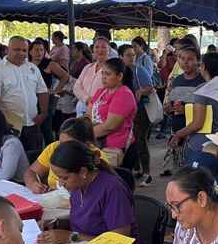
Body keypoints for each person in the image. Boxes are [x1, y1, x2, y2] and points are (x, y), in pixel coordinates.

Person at [39, 140, 137, 244]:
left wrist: (70, 237)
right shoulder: (78, 187)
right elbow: (83, 223)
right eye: (58, 177)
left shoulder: (113, 189)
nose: (61, 183)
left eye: (65, 178)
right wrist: (58, 225)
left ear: (83, 172)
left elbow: (119, 240)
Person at [171, 52, 218, 185]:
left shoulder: (203, 89)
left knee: (190, 186)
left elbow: (197, 124)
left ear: (203, 67)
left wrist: (178, 134)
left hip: (204, 146)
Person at [0, 36, 49, 152]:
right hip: (9, 127)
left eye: (24, 50)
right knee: (11, 161)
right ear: (7, 49)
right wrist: (2, 123)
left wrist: (44, 113)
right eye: (17, 50)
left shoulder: (32, 68)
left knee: (34, 159)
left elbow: (42, 91)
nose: (21, 53)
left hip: (32, 123)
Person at [26, 117, 106, 194]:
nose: (62, 147)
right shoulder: (54, 148)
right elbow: (31, 171)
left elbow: (97, 191)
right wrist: (34, 184)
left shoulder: (95, 157)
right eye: (60, 142)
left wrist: (59, 187)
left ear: (84, 144)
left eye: (69, 144)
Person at [162, 45, 206, 176]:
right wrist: (169, 107)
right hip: (177, 129)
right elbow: (173, 101)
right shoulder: (177, 80)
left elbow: (208, 109)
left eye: (190, 59)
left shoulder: (203, 81)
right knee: (179, 170)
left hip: (195, 133)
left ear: (198, 61)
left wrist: (186, 110)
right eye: (181, 58)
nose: (184, 62)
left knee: (193, 172)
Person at [86, 58, 137, 166]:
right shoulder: (101, 91)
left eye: (108, 74)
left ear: (120, 76)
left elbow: (110, 125)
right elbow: (88, 115)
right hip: (96, 146)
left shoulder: (124, 94)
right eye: (103, 73)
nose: (103, 77)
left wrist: (84, 135)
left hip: (115, 151)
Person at [119, 45, 155, 186]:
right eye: (128, 55)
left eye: (133, 55)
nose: (132, 57)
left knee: (140, 140)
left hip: (141, 111)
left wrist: (140, 91)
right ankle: (136, 170)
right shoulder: (121, 71)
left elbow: (150, 88)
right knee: (131, 142)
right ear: (120, 57)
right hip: (125, 111)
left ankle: (147, 173)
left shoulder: (139, 69)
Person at [29, 39, 70, 147]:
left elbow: (65, 76)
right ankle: (37, 150)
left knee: (46, 126)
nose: (39, 52)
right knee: (34, 125)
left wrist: (56, 90)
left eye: (41, 50)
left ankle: (51, 151)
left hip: (46, 97)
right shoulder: (27, 64)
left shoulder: (49, 64)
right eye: (36, 50)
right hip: (31, 97)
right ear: (30, 51)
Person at [73, 36, 111, 114]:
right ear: (93, 49)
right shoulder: (88, 67)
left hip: (101, 111)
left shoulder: (113, 69)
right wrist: (87, 99)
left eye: (103, 47)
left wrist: (94, 103)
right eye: (97, 47)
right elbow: (76, 87)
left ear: (109, 50)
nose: (100, 49)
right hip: (82, 110)